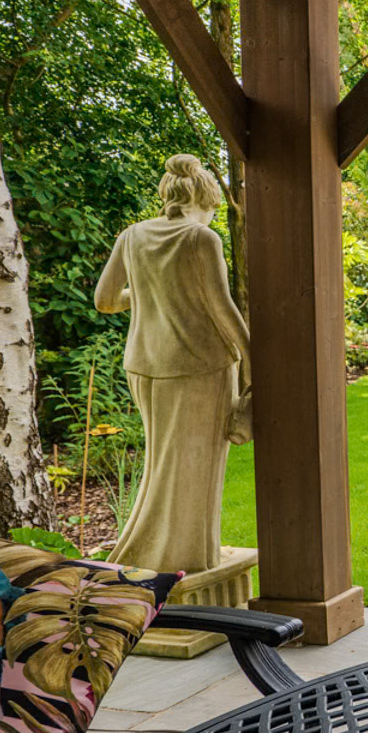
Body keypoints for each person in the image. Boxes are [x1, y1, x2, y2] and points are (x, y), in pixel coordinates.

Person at [94, 155, 250, 575]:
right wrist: (252, 358)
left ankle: (150, 554)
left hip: (145, 366)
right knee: (197, 469)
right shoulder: (201, 238)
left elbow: (105, 301)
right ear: (205, 200)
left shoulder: (132, 236)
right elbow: (223, 309)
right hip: (201, 366)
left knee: (162, 464)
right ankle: (192, 559)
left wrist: (150, 293)